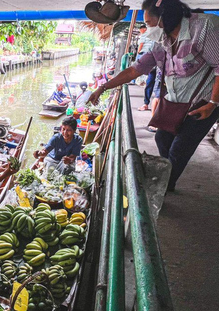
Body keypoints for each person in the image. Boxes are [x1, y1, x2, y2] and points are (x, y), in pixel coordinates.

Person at [88, 0, 219, 191]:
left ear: (164, 18)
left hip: (204, 103)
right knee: (162, 139)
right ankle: (168, 179)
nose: (148, 28)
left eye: (150, 23)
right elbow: (136, 70)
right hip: (176, 102)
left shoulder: (204, 27)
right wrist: (103, 87)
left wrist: (213, 103)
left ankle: (159, 190)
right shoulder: (163, 40)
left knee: (179, 150)